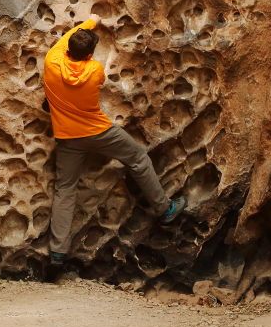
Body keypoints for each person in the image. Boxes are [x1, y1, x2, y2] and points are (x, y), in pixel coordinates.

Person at [43, 14, 185, 266]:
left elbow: (70, 35)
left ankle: (57, 253)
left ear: (69, 47)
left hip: (68, 137)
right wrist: (99, 22)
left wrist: (90, 20)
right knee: (138, 158)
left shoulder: (52, 60)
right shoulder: (94, 71)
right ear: (88, 55)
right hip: (99, 132)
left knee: (65, 189)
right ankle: (165, 209)